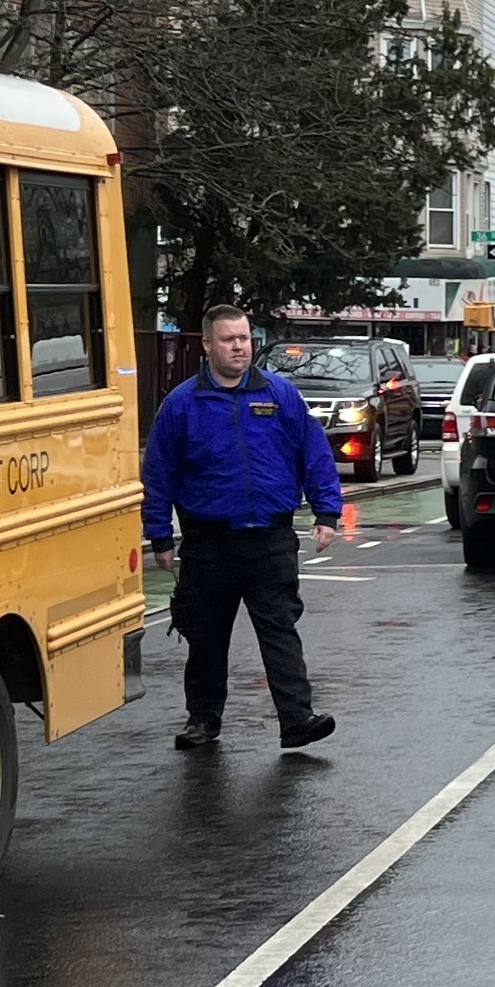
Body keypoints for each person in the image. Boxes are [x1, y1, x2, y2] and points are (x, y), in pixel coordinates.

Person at [142, 302, 353, 752]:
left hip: (270, 539)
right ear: (207, 344)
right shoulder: (182, 404)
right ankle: (203, 721)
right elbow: (159, 474)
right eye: (228, 339)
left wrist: (326, 513)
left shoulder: (279, 395)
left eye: (244, 338)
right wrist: (159, 534)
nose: (239, 347)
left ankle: (298, 720)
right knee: (206, 638)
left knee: (279, 630)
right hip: (209, 541)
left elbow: (313, 454)